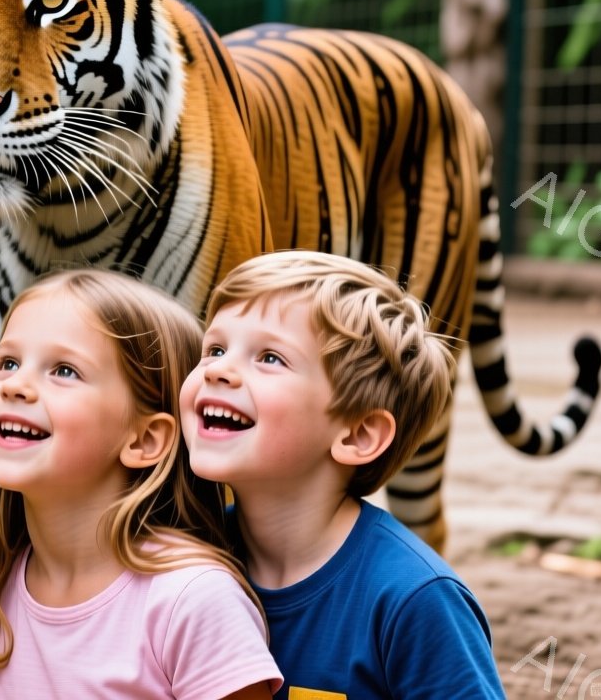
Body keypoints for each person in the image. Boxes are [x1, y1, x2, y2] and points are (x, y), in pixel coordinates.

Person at [180, 251, 507, 698]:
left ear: (358, 434)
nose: (217, 369)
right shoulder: (185, 561)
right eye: (215, 348)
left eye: (270, 358)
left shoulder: (415, 599)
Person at [0, 270, 282, 700]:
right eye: (8, 363)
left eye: (64, 370)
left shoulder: (192, 600)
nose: (16, 385)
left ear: (144, 439)